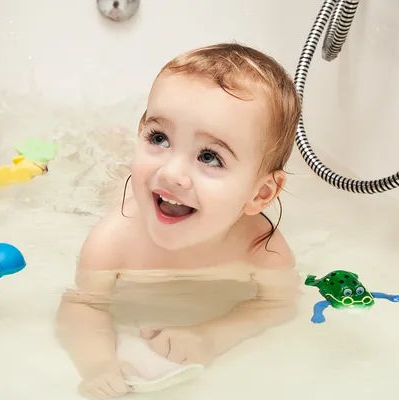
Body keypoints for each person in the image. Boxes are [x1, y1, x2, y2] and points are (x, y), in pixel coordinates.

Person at [56, 42, 302, 399]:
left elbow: (280, 303)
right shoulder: (114, 241)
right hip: (119, 199)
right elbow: (84, 304)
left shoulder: (261, 248)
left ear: (261, 194)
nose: (171, 173)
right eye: (158, 138)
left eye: (210, 157)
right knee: (104, 184)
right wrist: (97, 365)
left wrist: (211, 335)